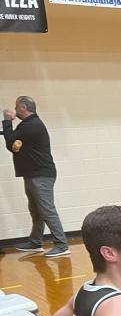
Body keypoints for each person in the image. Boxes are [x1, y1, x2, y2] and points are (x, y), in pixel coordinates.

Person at [2, 96, 69, 258]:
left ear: (24, 107)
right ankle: (35, 241)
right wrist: (7, 126)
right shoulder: (27, 124)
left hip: (41, 175)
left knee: (47, 210)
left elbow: (11, 143)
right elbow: (12, 139)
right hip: (33, 173)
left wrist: (7, 121)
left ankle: (62, 244)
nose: (15, 109)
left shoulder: (32, 125)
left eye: (17, 106)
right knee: (36, 210)